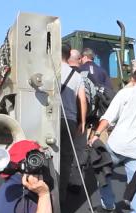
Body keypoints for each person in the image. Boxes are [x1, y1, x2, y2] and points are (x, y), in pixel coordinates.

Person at [90, 63, 136, 213]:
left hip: (118, 144)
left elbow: (108, 117)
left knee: (102, 168)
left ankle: (109, 204)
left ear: (132, 79)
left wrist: (96, 135)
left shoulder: (125, 93)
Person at [59, 44, 87, 202]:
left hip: (52, 117)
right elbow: (82, 100)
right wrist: (82, 121)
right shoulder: (77, 76)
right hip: (70, 119)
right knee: (66, 159)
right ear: (69, 55)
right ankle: (62, 197)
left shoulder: (51, 70)